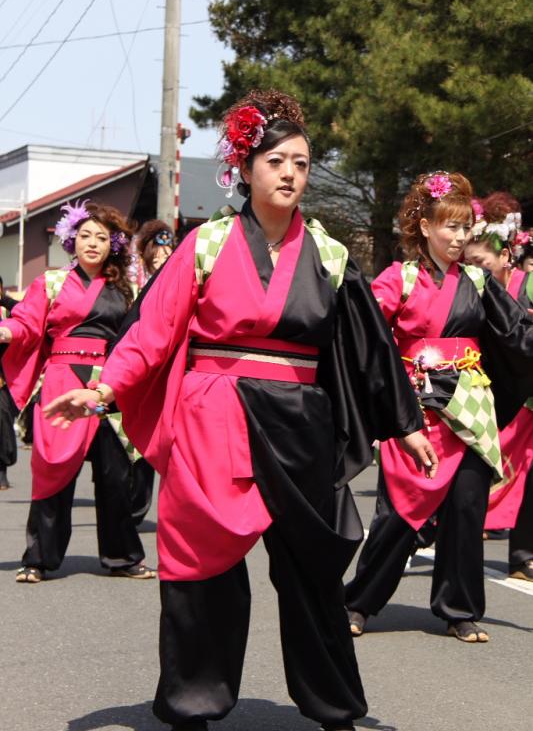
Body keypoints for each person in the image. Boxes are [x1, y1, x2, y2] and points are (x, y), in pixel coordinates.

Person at [44, 89, 436, 731]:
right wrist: (105, 388)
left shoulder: (330, 255)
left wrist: (407, 425)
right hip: (213, 414)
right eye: (276, 161)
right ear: (246, 168)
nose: (290, 174)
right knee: (201, 563)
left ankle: (335, 707)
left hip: (300, 421)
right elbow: (151, 331)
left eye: (301, 163)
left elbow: (371, 351)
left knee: (312, 569)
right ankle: (193, 703)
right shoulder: (206, 243)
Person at [344, 172, 533, 644]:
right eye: (450, 226)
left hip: (469, 410)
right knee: (399, 512)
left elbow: (516, 335)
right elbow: (365, 337)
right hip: (415, 411)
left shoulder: (478, 280)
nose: (460, 236)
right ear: (425, 226)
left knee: (466, 509)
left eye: (465, 226)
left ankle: (459, 609)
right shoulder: (399, 278)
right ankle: (359, 601)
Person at [0, 201, 156, 583]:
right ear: (72, 240)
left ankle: (122, 557)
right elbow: (26, 323)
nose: (92, 243)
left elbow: (138, 336)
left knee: (115, 474)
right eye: (85, 235)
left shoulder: (127, 290)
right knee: (52, 470)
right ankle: (38, 559)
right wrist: (6, 331)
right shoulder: (51, 282)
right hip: (62, 381)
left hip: (107, 388)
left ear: (112, 245)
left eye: (101, 237)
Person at [465, 193, 533, 582]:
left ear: (506, 256)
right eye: (470, 263)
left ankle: (522, 556)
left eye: (481, 263)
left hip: (524, 397)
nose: (476, 270)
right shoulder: (468, 289)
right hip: (485, 398)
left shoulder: (527, 285)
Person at [129, 219, 176, 524]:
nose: (162, 259)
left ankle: (141, 508)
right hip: (133, 369)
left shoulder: (179, 282)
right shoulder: (131, 285)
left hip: (166, 373)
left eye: (167, 253)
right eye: (156, 255)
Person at [0, 277, 19, 489]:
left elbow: (27, 313)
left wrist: (4, 299)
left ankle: (1, 470)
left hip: (3, 380)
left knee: (3, 423)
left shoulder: (7, 312)